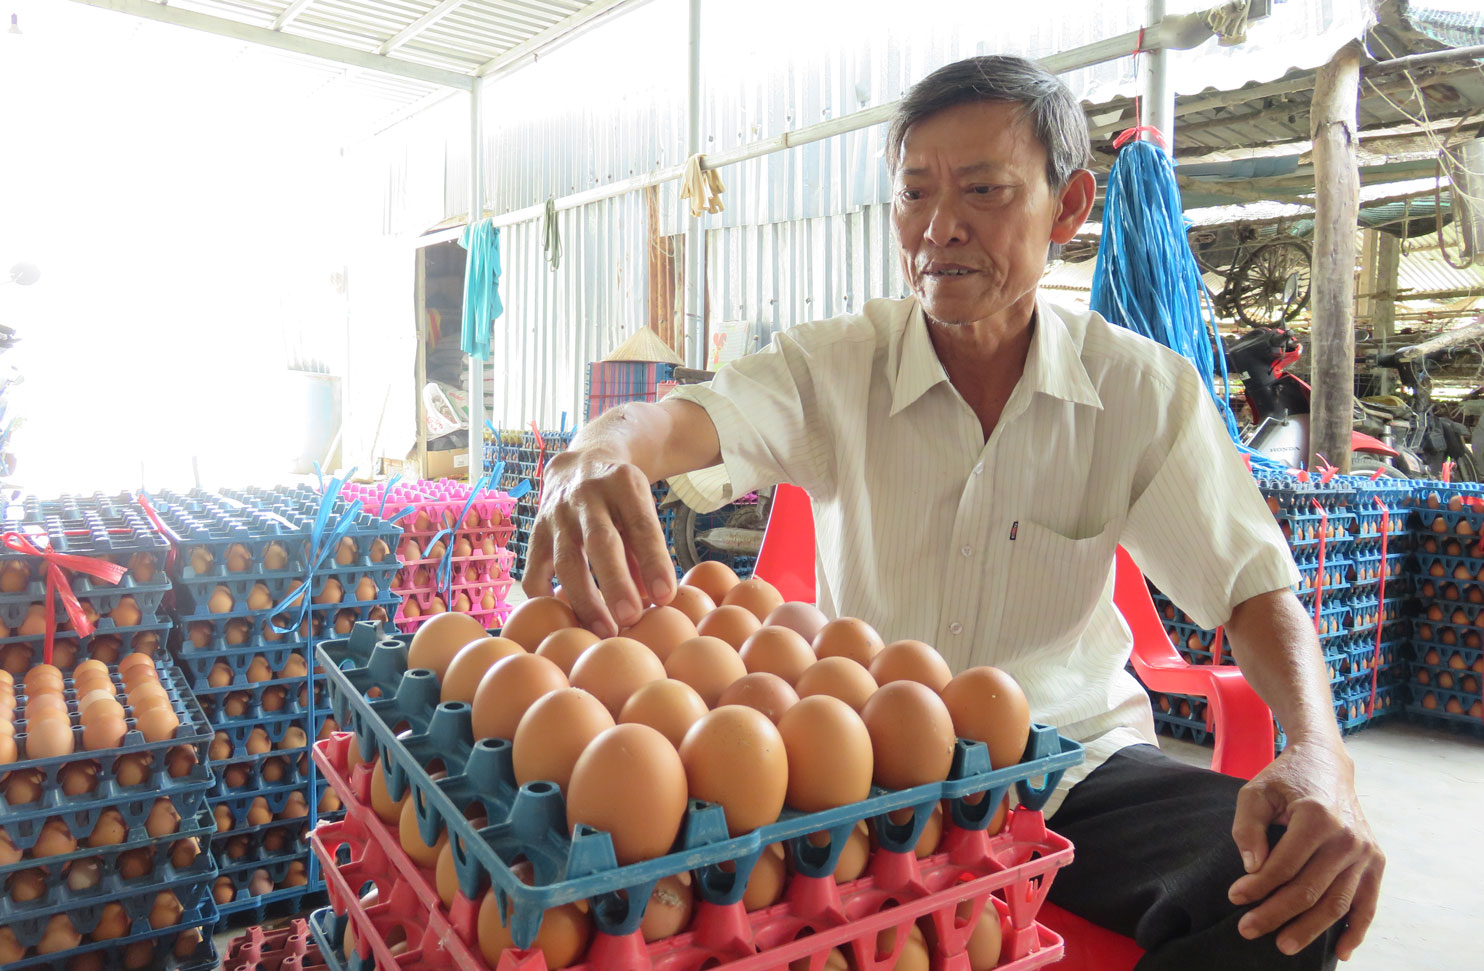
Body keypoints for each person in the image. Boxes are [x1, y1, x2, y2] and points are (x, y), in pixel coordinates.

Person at [523, 55, 1383, 970]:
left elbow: (1254, 591)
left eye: (983, 190)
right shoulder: (837, 368)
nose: (940, 228)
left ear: (1070, 206)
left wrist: (1322, 752)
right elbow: (679, 420)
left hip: (1068, 771)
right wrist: (603, 446)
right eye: (915, 193)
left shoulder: (1140, 392)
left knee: (1284, 892)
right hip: (855, 777)